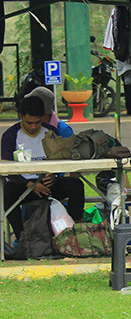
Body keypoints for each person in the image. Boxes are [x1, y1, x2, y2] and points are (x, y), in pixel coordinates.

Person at [1, 95, 85, 240]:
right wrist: (30, 185)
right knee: (8, 191)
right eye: (28, 123)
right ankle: (22, 237)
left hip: (48, 184)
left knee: (76, 185)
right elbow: (7, 169)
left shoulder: (51, 131)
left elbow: (60, 161)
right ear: (20, 116)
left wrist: (55, 176)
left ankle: (72, 232)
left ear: (43, 118)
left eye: (37, 122)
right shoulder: (10, 135)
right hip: (23, 186)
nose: (33, 127)